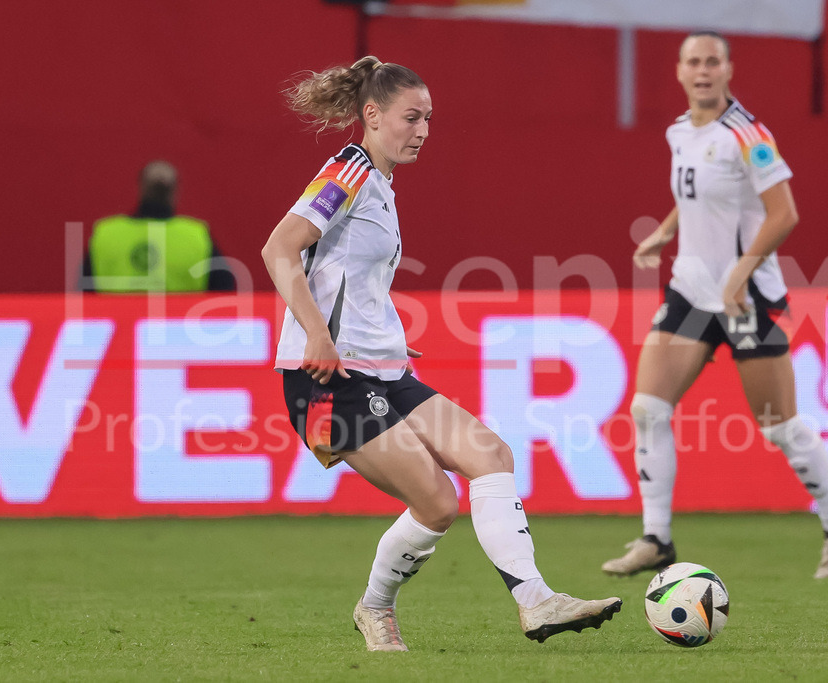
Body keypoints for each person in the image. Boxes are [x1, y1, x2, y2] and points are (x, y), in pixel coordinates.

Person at [262, 56, 621, 652]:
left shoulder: (377, 183)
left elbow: (346, 278)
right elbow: (279, 248)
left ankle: (537, 602)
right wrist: (318, 336)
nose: (423, 130)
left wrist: (385, 335)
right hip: (328, 378)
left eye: (429, 118)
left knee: (491, 453)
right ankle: (375, 609)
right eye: (412, 117)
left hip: (381, 367)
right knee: (436, 501)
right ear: (371, 115)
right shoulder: (346, 171)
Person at [602, 31, 828, 580]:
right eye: (693, 62)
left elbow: (784, 213)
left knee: (778, 426)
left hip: (745, 297)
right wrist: (665, 232)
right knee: (647, 409)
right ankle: (657, 538)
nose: (702, 71)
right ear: (678, 71)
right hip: (692, 291)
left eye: (712, 62)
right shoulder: (679, 132)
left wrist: (741, 271)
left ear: (728, 70)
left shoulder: (749, 135)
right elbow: (692, 193)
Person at [81, 160, 236, 292]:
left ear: (140, 187)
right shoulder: (196, 236)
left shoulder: (106, 233)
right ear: (175, 192)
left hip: (119, 325)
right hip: (179, 325)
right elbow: (224, 290)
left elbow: (83, 292)